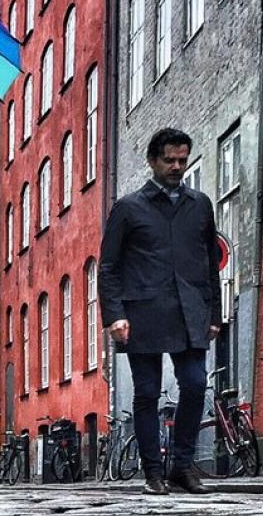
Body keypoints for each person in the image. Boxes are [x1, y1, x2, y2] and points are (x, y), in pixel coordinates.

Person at [98, 128, 222, 496]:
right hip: (143, 314)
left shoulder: (199, 204)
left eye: (182, 160)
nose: (176, 167)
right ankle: (153, 472)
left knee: (197, 384)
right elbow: (109, 267)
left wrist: (213, 313)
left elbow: (209, 262)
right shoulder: (128, 208)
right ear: (153, 161)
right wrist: (114, 315)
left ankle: (182, 466)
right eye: (169, 160)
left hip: (190, 311)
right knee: (147, 393)